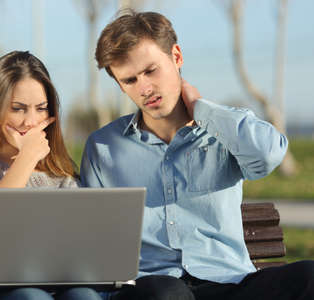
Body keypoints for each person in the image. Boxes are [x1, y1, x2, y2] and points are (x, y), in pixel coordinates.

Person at [80, 9, 314, 300]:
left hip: (229, 283)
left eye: (151, 71)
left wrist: (201, 108)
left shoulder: (224, 130)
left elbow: (268, 155)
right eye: (129, 80)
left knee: (309, 276)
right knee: (167, 293)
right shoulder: (103, 148)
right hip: (153, 289)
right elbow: (93, 242)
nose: (144, 88)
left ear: (176, 57)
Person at [0, 51, 102, 300]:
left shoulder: (62, 178)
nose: (31, 121)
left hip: (48, 287)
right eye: (18, 109)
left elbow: (72, 248)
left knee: (84, 295)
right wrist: (27, 157)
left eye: (41, 109)